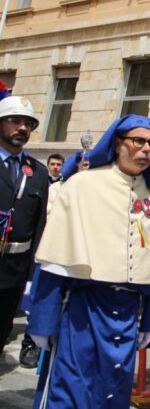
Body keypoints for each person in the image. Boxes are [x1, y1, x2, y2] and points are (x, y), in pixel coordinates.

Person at [27, 114, 150, 408]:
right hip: (84, 311)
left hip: (127, 316)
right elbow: (54, 262)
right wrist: (43, 320)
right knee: (72, 389)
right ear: (118, 144)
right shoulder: (82, 186)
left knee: (113, 391)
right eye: (139, 141)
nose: (147, 149)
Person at [0, 96, 49, 367]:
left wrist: (32, 276)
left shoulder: (37, 173)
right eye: (15, 121)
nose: (22, 128)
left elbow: (40, 226)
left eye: (28, 124)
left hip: (14, 271)